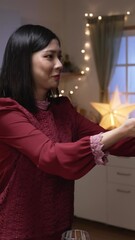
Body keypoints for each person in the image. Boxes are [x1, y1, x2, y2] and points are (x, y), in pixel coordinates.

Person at [0, 24, 135, 240]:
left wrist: (126, 132)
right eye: (49, 56)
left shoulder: (63, 109)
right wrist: (124, 129)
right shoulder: (7, 113)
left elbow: (112, 141)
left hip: (61, 227)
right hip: (18, 231)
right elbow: (51, 156)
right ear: (23, 62)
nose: (59, 65)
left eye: (59, 56)